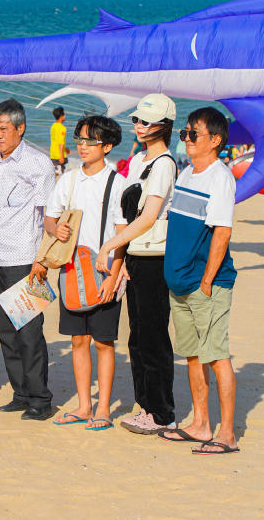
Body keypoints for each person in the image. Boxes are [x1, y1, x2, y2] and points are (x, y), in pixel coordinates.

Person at [34, 115, 127, 431]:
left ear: (107, 146)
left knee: (104, 342)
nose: (82, 146)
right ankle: (84, 405)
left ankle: (104, 408)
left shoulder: (117, 183)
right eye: (80, 140)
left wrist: (114, 276)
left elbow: (123, 235)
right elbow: (50, 219)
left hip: (105, 270)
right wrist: (55, 228)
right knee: (78, 340)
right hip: (72, 270)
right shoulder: (68, 180)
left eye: (90, 141)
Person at [158, 107, 240, 455]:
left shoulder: (220, 177)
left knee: (216, 356)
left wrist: (206, 281)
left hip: (206, 284)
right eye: (185, 133)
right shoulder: (188, 173)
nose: (187, 139)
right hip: (180, 282)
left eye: (194, 134)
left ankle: (227, 433)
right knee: (193, 355)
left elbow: (222, 232)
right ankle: (201, 424)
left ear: (215, 140)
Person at [97, 93, 179, 435]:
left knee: (154, 337)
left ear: (164, 126)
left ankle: (162, 412)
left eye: (147, 122)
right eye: (136, 120)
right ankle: (145, 405)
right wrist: (122, 257)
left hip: (155, 259)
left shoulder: (164, 164)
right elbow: (126, 214)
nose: (140, 126)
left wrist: (110, 245)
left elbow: (148, 217)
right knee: (138, 337)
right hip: (136, 258)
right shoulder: (138, 161)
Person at [0, 98, 56, 420]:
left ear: (20, 128)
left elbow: (49, 215)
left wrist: (42, 260)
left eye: (3, 128)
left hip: (25, 259)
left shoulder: (38, 164)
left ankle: (40, 398)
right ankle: (21, 393)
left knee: (29, 332)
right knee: (5, 332)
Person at [49, 106, 68, 175]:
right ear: (61, 116)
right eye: (64, 114)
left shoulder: (53, 126)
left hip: (53, 154)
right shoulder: (62, 128)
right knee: (63, 175)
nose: (65, 116)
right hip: (59, 156)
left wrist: (65, 149)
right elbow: (61, 143)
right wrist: (61, 156)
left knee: (55, 174)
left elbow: (56, 141)